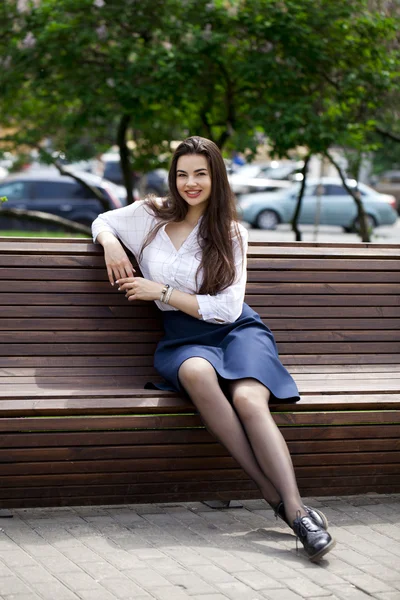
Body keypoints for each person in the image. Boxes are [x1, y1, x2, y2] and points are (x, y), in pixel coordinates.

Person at [92, 136, 335, 562]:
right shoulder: (149, 216)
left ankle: (295, 510)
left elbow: (227, 308)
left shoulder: (231, 232)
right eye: (182, 174)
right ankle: (269, 492)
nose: (190, 183)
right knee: (196, 373)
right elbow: (104, 221)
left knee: (247, 399)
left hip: (236, 331)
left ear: (215, 177)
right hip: (183, 338)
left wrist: (161, 290)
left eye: (200, 174)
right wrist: (111, 243)